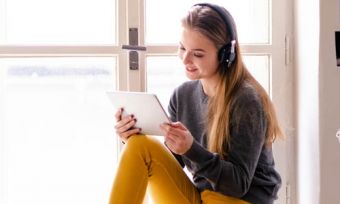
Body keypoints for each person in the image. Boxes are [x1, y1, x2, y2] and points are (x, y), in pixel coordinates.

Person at [110, 3, 283, 204]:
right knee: (139, 145)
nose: (185, 59)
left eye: (198, 54)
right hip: (202, 198)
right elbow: (175, 161)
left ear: (226, 54)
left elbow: (238, 185)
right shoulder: (181, 96)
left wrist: (192, 148)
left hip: (240, 201)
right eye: (182, 48)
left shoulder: (246, 100)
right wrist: (129, 136)